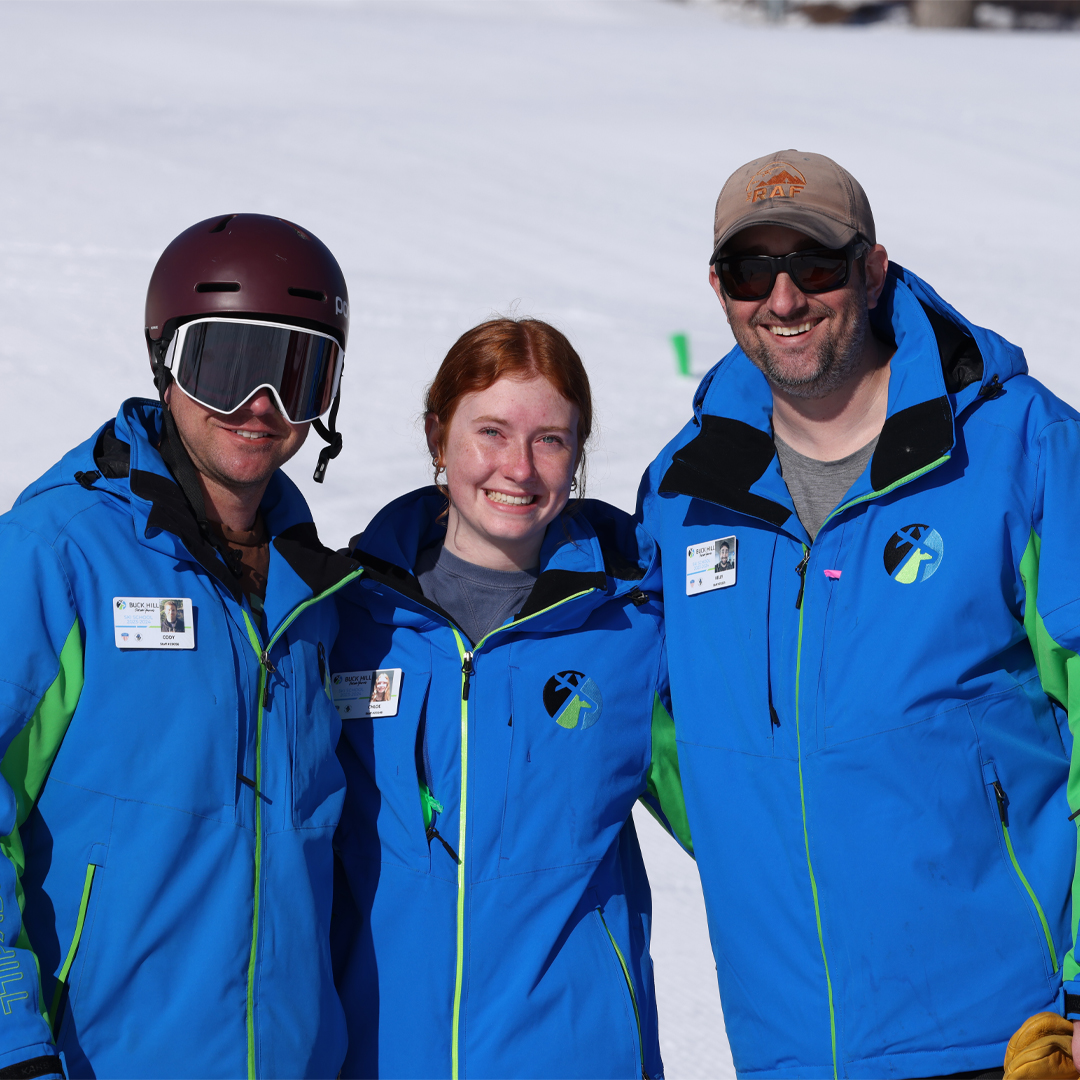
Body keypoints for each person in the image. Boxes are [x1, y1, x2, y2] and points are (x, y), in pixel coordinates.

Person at [638, 150, 1080, 1078]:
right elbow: (659, 736)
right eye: (751, 271)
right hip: (785, 1048)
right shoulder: (683, 498)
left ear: (874, 269)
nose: (785, 298)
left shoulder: (1020, 448)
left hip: (1010, 1036)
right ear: (719, 289)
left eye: (818, 265)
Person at [0, 214, 362, 1078]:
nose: (263, 408)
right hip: (98, 1057)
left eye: (298, 373)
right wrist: (13, 1040)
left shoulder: (316, 595)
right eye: (228, 367)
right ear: (167, 362)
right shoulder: (60, 551)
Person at [330, 318, 690, 1080]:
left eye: (550, 440)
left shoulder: (631, 624)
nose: (518, 469)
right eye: (490, 431)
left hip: (573, 1054)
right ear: (439, 435)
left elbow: (739, 816)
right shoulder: (348, 617)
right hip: (378, 1055)